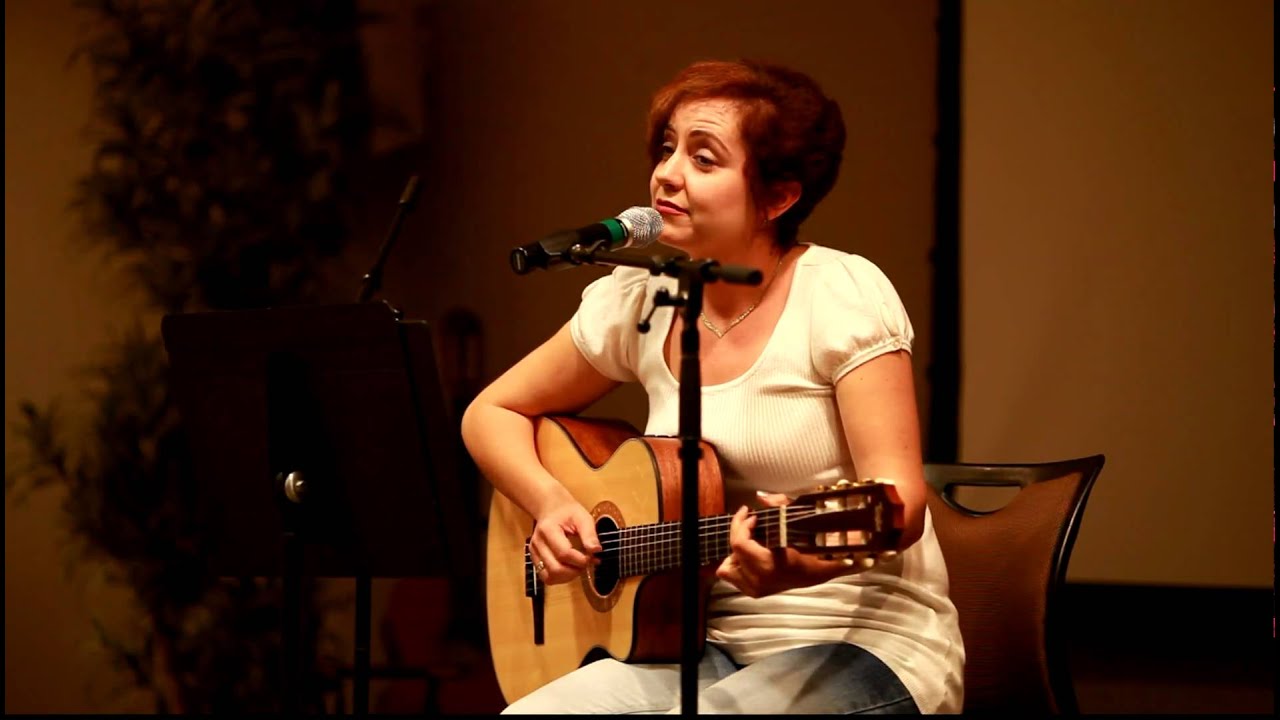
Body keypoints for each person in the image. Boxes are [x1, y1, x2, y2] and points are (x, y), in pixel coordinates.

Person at [461, 59, 964, 714]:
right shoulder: (642, 299)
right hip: (696, 644)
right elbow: (491, 411)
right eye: (667, 148)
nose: (667, 173)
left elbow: (899, 503)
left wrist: (801, 565)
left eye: (703, 158)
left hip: (864, 644)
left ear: (778, 198)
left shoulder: (839, 295)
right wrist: (551, 502)